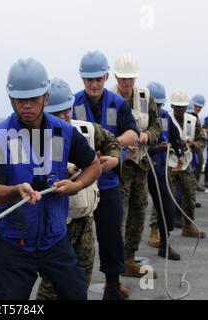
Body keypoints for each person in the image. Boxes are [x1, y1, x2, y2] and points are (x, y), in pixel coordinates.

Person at [0, 58, 102, 300]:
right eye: (20, 100)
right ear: (11, 99)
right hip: (12, 244)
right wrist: (17, 190)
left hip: (54, 240)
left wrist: (76, 185)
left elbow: (94, 165)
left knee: (77, 294)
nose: (27, 106)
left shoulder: (64, 132)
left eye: (33, 99)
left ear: (45, 98)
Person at [36, 78, 121, 300]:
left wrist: (112, 160)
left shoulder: (86, 130)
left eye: (67, 111)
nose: (64, 117)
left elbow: (111, 141)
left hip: (85, 220)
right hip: (56, 225)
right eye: (57, 113)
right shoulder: (36, 141)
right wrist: (70, 170)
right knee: (52, 285)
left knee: (82, 279)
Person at [72, 50, 139, 298]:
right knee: (77, 237)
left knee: (111, 235)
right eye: (89, 79)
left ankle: (112, 284)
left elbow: (132, 133)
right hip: (80, 182)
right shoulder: (71, 103)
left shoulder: (118, 104)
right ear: (82, 79)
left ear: (106, 76)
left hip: (108, 182)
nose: (94, 83)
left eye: (99, 78)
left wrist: (111, 144)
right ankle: (75, 286)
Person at [111, 53, 161, 278]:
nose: (127, 83)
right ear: (115, 77)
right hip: (119, 166)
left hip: (141, 165)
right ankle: (115, 263)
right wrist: (121, 144)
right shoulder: (108, 99)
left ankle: (129, 259)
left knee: (139, 211)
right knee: (117, 214)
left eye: (130, 78)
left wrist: (146, 136)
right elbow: (100, 130)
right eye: (123, 79)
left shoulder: (145, 96)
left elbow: (157, 126)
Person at [145, 82, 183, 260]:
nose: (157, 107)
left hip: (159, 171)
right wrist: (155, 149)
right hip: (139, 170)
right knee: (131, 213)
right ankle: (126, 256)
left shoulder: (165, 117)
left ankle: (165, 246)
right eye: (155, 104)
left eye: (160, 104)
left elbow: (175, 137)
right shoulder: (139, 118)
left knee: (166, 206)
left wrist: (180, 154)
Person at [168, 90, 206, 239]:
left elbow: (202, 140)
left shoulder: (193, 120)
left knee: (190, 196)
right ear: (172, 105)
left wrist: (192, 145)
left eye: (182, 107)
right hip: (169, 164)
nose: (179, 110)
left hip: (186, 164)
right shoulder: (166, 119)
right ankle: (155, 230)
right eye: (177, 107)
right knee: (164, 197)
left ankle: (188, 226)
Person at [187, 94, 206, 192]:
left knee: (198, 165)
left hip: (194, 147)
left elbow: (201, 137)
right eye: (196, 106)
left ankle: (194, 186)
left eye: (200, 107)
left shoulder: (196, 118)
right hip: (185, 148)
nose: (197, 108)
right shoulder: (188, 115)